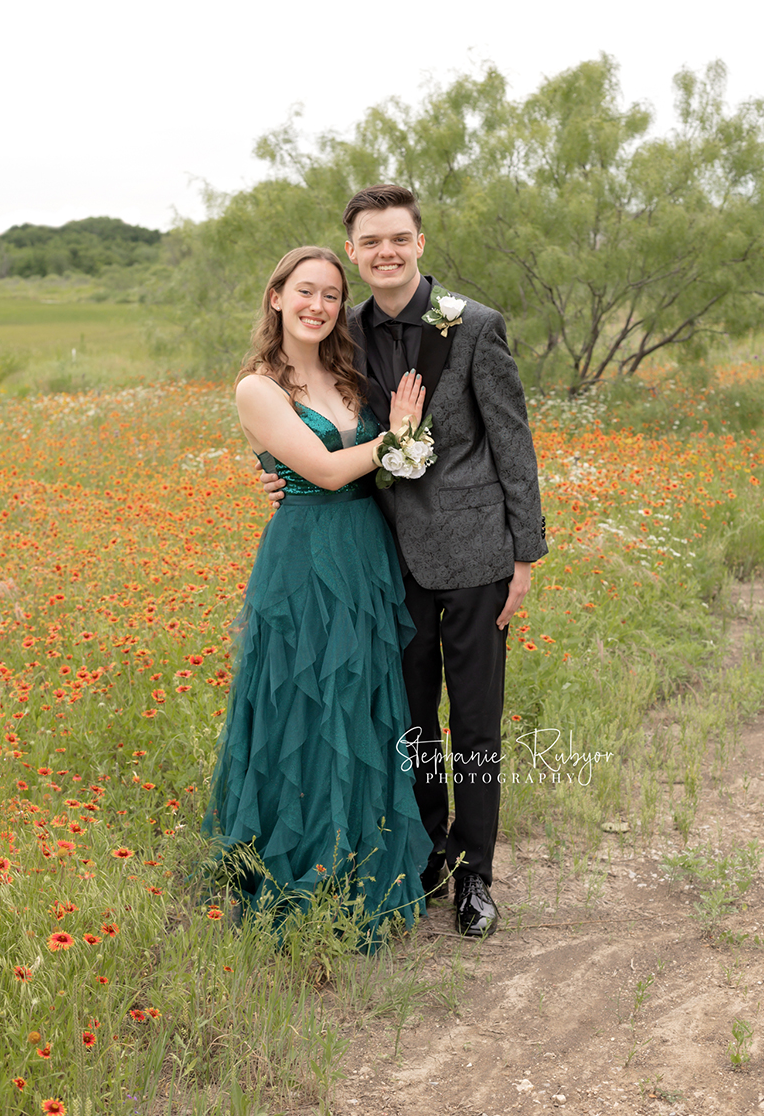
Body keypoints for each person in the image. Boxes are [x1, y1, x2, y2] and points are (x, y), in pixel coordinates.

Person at [263, 187, 548, 938]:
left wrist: (526, 555)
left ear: (419, 243)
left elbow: (513, 444)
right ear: (353, 253)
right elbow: (312, 421)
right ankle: (426, 856)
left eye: (398, 238)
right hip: (383, 558)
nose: (385, 252)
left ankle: (477, 874)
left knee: (476, 722)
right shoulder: (342, 332)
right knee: (409, 719)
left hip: (479, 552)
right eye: (370, 242)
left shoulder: (474, 324)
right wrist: (279, 474)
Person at [201, 245, 432, 948]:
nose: (319, 305)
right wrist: (395, 439)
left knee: (359, 697)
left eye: (332, 294)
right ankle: (296, 865)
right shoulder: (258, 387)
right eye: (305, 291)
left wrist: (398, 446)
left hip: (364, 550)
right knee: (302, 703)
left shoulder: (346, 370)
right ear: (276, 297)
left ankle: (360, 862)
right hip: (305, 556)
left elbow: (358, 470)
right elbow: (327, 471)